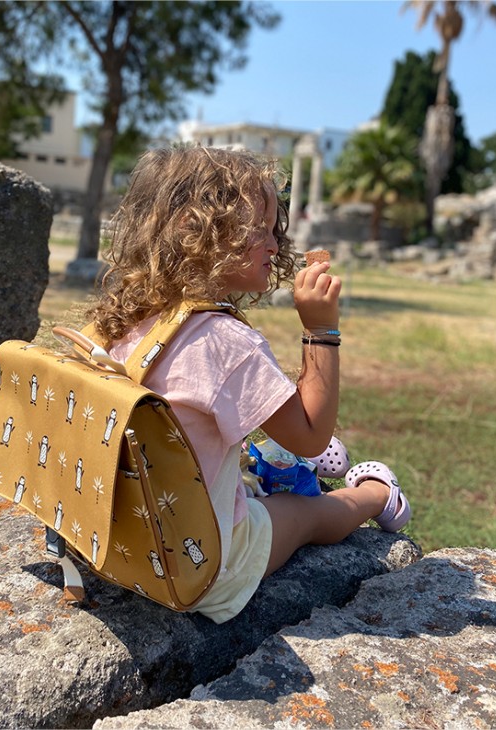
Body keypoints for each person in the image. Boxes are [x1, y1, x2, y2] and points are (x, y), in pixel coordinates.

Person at [90, 146, 411, 623]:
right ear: (198, 232)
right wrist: (321, 329)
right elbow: (310, 433)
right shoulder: (224, 341)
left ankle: (266, 473)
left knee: (246, 455)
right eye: (259, 229)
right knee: (305, 513)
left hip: (117, 535)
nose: (275, 246)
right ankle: (378, 495)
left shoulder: (123, 316)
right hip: (204, 566)